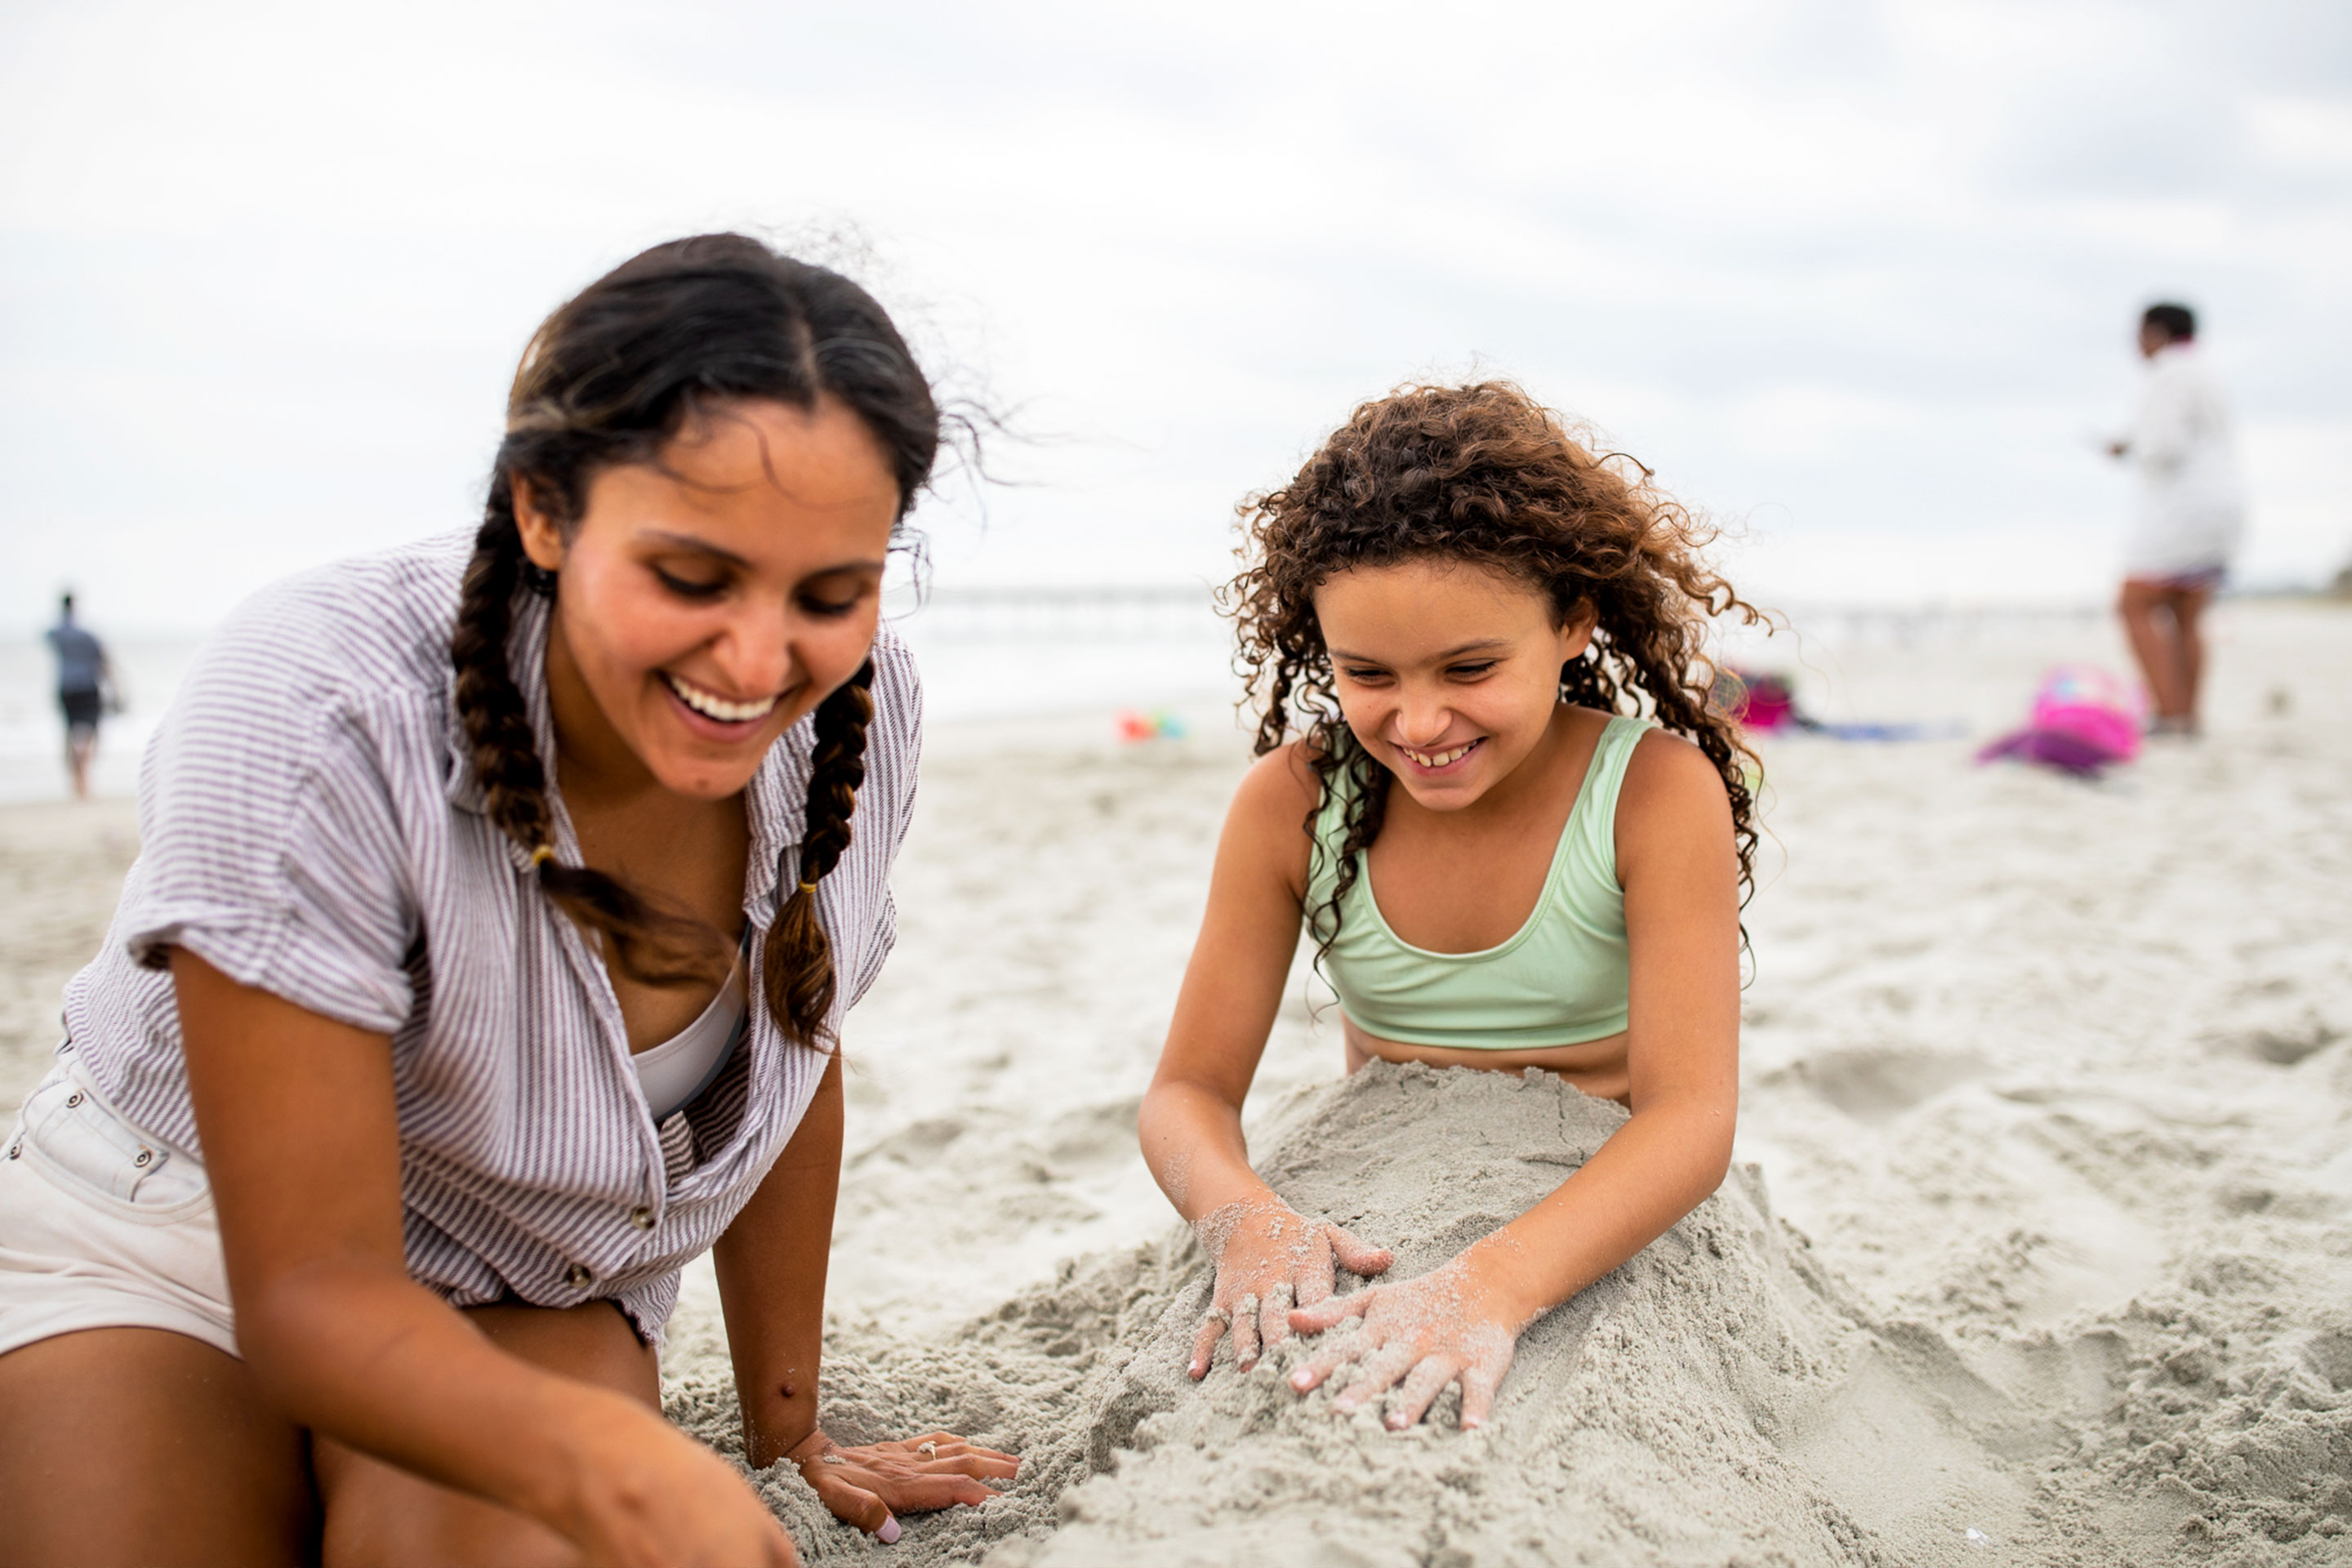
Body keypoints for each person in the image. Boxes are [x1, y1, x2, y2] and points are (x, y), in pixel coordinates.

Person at [0, 235, 1017, 1567]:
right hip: (176, 1231)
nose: (760, 658)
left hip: (524, 1268)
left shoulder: (862, 710)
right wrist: (615, 1462)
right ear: (543, 509)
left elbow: (791, 1062)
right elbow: (313, 1291)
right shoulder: (318, 704)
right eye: (693, 579)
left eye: (830, 593)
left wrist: (788, 1435)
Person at [1138, 382, 1753, 1431]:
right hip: (1363, 1191)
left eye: (1471, 667)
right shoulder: (1293, 804)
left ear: (1573, 620)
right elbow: (1186, 1094)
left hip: (1602, 1208)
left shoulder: (1651, 793)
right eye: (1366, 673)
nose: (1419, 722)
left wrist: (1497, 1287)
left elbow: (1692, 1122)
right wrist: (1244, 1216)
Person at [2107, 301, 2245, 737]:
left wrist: (2127, 449)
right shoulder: (2208, 372)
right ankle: (2189, 715)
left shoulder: (2168, 373)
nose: (2136, 344)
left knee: (2135, 602)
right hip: (2226, 503)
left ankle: (2169, 714)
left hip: (2184, 506)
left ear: (2156, 332)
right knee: (2187, 611)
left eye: (2139, 333)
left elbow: (2164, 446)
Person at [44, 592, 112, 800]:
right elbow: (103, 661)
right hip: (88, 687)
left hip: (66, 687)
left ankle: (74, 782)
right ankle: (85, 780)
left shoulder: (55, 634)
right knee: (89, 736)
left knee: (69, 733)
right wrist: (115, 689)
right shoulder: (88, 635)